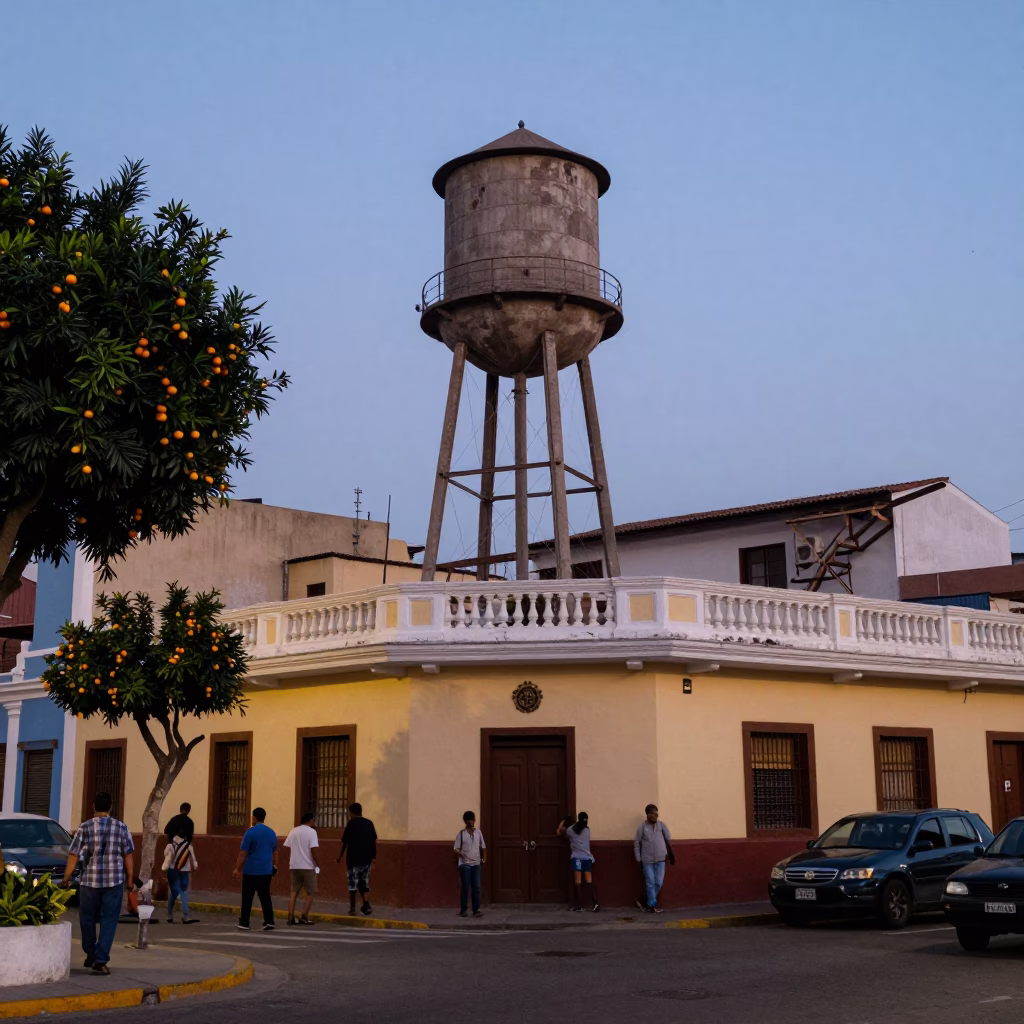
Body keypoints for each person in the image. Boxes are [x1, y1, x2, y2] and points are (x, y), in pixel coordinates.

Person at [61, 791, 135, 975]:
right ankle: (100, 961)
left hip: (89, 882)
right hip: (114, 881)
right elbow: (128, 856)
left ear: (94, 806)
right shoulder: (121, 827)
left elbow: (73, 854)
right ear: (111, 807)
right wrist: (131, 880)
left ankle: (90, 952)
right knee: (109, 920)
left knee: (86, 918)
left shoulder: (84, 828)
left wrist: (66, 877)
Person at [232, 807, 278, 930]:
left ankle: (245, 922)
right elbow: (275, 852)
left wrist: (237, 869)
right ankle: (269, 921)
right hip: (266, 871)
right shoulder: (271, 832)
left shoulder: (250, 833)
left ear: (254, 818)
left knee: (247, 898)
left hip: (251, 871)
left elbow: (243, 853)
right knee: (265, 897)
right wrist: (274, 866)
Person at [336, 802, 376, 916]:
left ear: (352, 812)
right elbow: (373, 842)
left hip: (353, 859)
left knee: (353, 883)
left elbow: (344, 843)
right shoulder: (369, 823)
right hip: (366, 858)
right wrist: (374, 857)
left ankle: (353, 908)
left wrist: (340, 856)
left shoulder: (351, 824)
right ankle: (366, 904)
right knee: (364, 882)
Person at [634, 804, 675, 913]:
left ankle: (644, 899)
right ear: (647, 815)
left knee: (658, 882)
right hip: (647, 860)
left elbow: (668, 840)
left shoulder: (661, 826)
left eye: (656, 813)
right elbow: (637, 843)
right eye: (653, 813)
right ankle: (651, 905)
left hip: (661, 859)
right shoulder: (642, 827)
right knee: (650, 882)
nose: (656, 815)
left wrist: (671, 855)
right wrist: (638, 858)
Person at [556, 811, 599, 912]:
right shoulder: (588, 830)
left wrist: (563, 822)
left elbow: (560, 831)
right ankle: (595, 903)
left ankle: (579, 906)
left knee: (578, 882)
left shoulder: (571, 830)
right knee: (589, 881)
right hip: (587, 858)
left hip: (577, 858)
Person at [284, 811, 320, 925]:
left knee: (294, 891)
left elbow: (287, 846)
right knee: (311, 892)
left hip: (294, 866)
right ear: (311, 820)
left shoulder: (293, 831)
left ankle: (290, 916)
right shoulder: (312, 832)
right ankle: (304, 916)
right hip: (308, 866)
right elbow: (313, 850)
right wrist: (317, 864)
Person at [454, 810, 486, 918]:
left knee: (476, 887)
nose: (473, 821)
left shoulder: (478, 833)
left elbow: (484, 847)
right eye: (471, 820)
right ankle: (463, 909)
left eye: (474, 819)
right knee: (466, 887)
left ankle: (476, 910)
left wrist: (484, 859)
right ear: (466, 821)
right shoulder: (461, 834)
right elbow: (456, 849)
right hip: (465, 864)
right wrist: (461, 854)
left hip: (476, 863)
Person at [161, 832, 199, 924]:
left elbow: (165, 855)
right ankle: (185, 916)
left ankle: (169, 915)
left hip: (173, 871)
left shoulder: (170, 846)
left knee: (174, 893)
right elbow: (194, 859)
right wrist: (195, 866)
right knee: (183, 892)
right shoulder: (188, 846)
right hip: (185, 871)